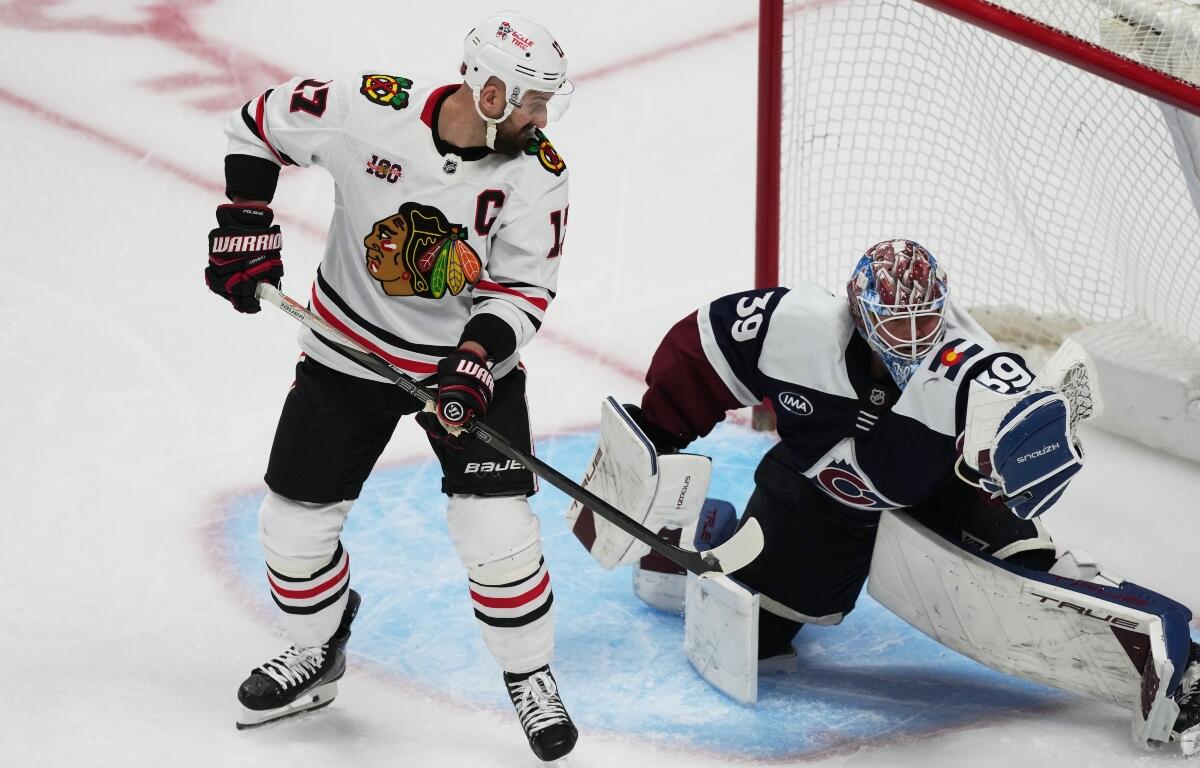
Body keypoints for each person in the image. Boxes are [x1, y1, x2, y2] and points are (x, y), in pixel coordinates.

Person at [568, 239, 1199, 756]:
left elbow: (1012, 400)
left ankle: (1180, 661)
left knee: (1025, 567)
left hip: (935, 489)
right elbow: (700, 351)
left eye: (928, 319)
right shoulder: (796, 327)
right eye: (897, 323)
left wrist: (1020, 444)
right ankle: (710, 535)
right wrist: (656, 433)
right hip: (819, 493)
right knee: (757, 639)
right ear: (860, 309)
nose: (915, 336)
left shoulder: (961, 358)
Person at [204, 11, 577, 761]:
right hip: (347, 354)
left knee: (498, 538)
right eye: (532, 100)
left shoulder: (539, 174)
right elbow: (257, 125)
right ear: (488, 87)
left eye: (547, 102)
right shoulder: (370, 110)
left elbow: (523, 292)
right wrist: (247, 219)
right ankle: (317, 647)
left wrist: (474, 360)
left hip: (465, 371)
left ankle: (530, 675)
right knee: (293, 529)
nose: (542, 118)